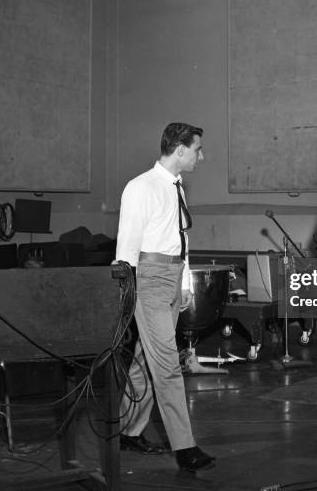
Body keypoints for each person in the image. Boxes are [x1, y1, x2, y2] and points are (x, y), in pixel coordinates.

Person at [114, 122, 216, 473]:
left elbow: (180, 242)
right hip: (149, 279)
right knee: (168, 366)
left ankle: (127, 431)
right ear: (180, 149)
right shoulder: (140, 187)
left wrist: (184, 283)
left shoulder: (177, 188)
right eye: (198, 149)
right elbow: (127, 244)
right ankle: (185, 447)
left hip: (172, 278)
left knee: (146, 359)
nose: (201, 156)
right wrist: (128, 291)